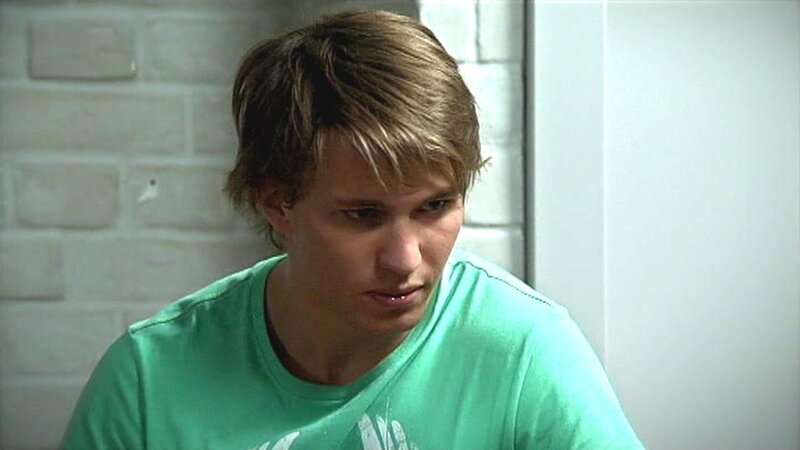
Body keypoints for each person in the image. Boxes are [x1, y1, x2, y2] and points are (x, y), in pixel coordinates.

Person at [62, 10, 644, 450]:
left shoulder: (523, 350)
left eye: (435, 207)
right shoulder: (149, 378)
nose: (405, 259)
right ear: (277, 202)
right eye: (363, 215)